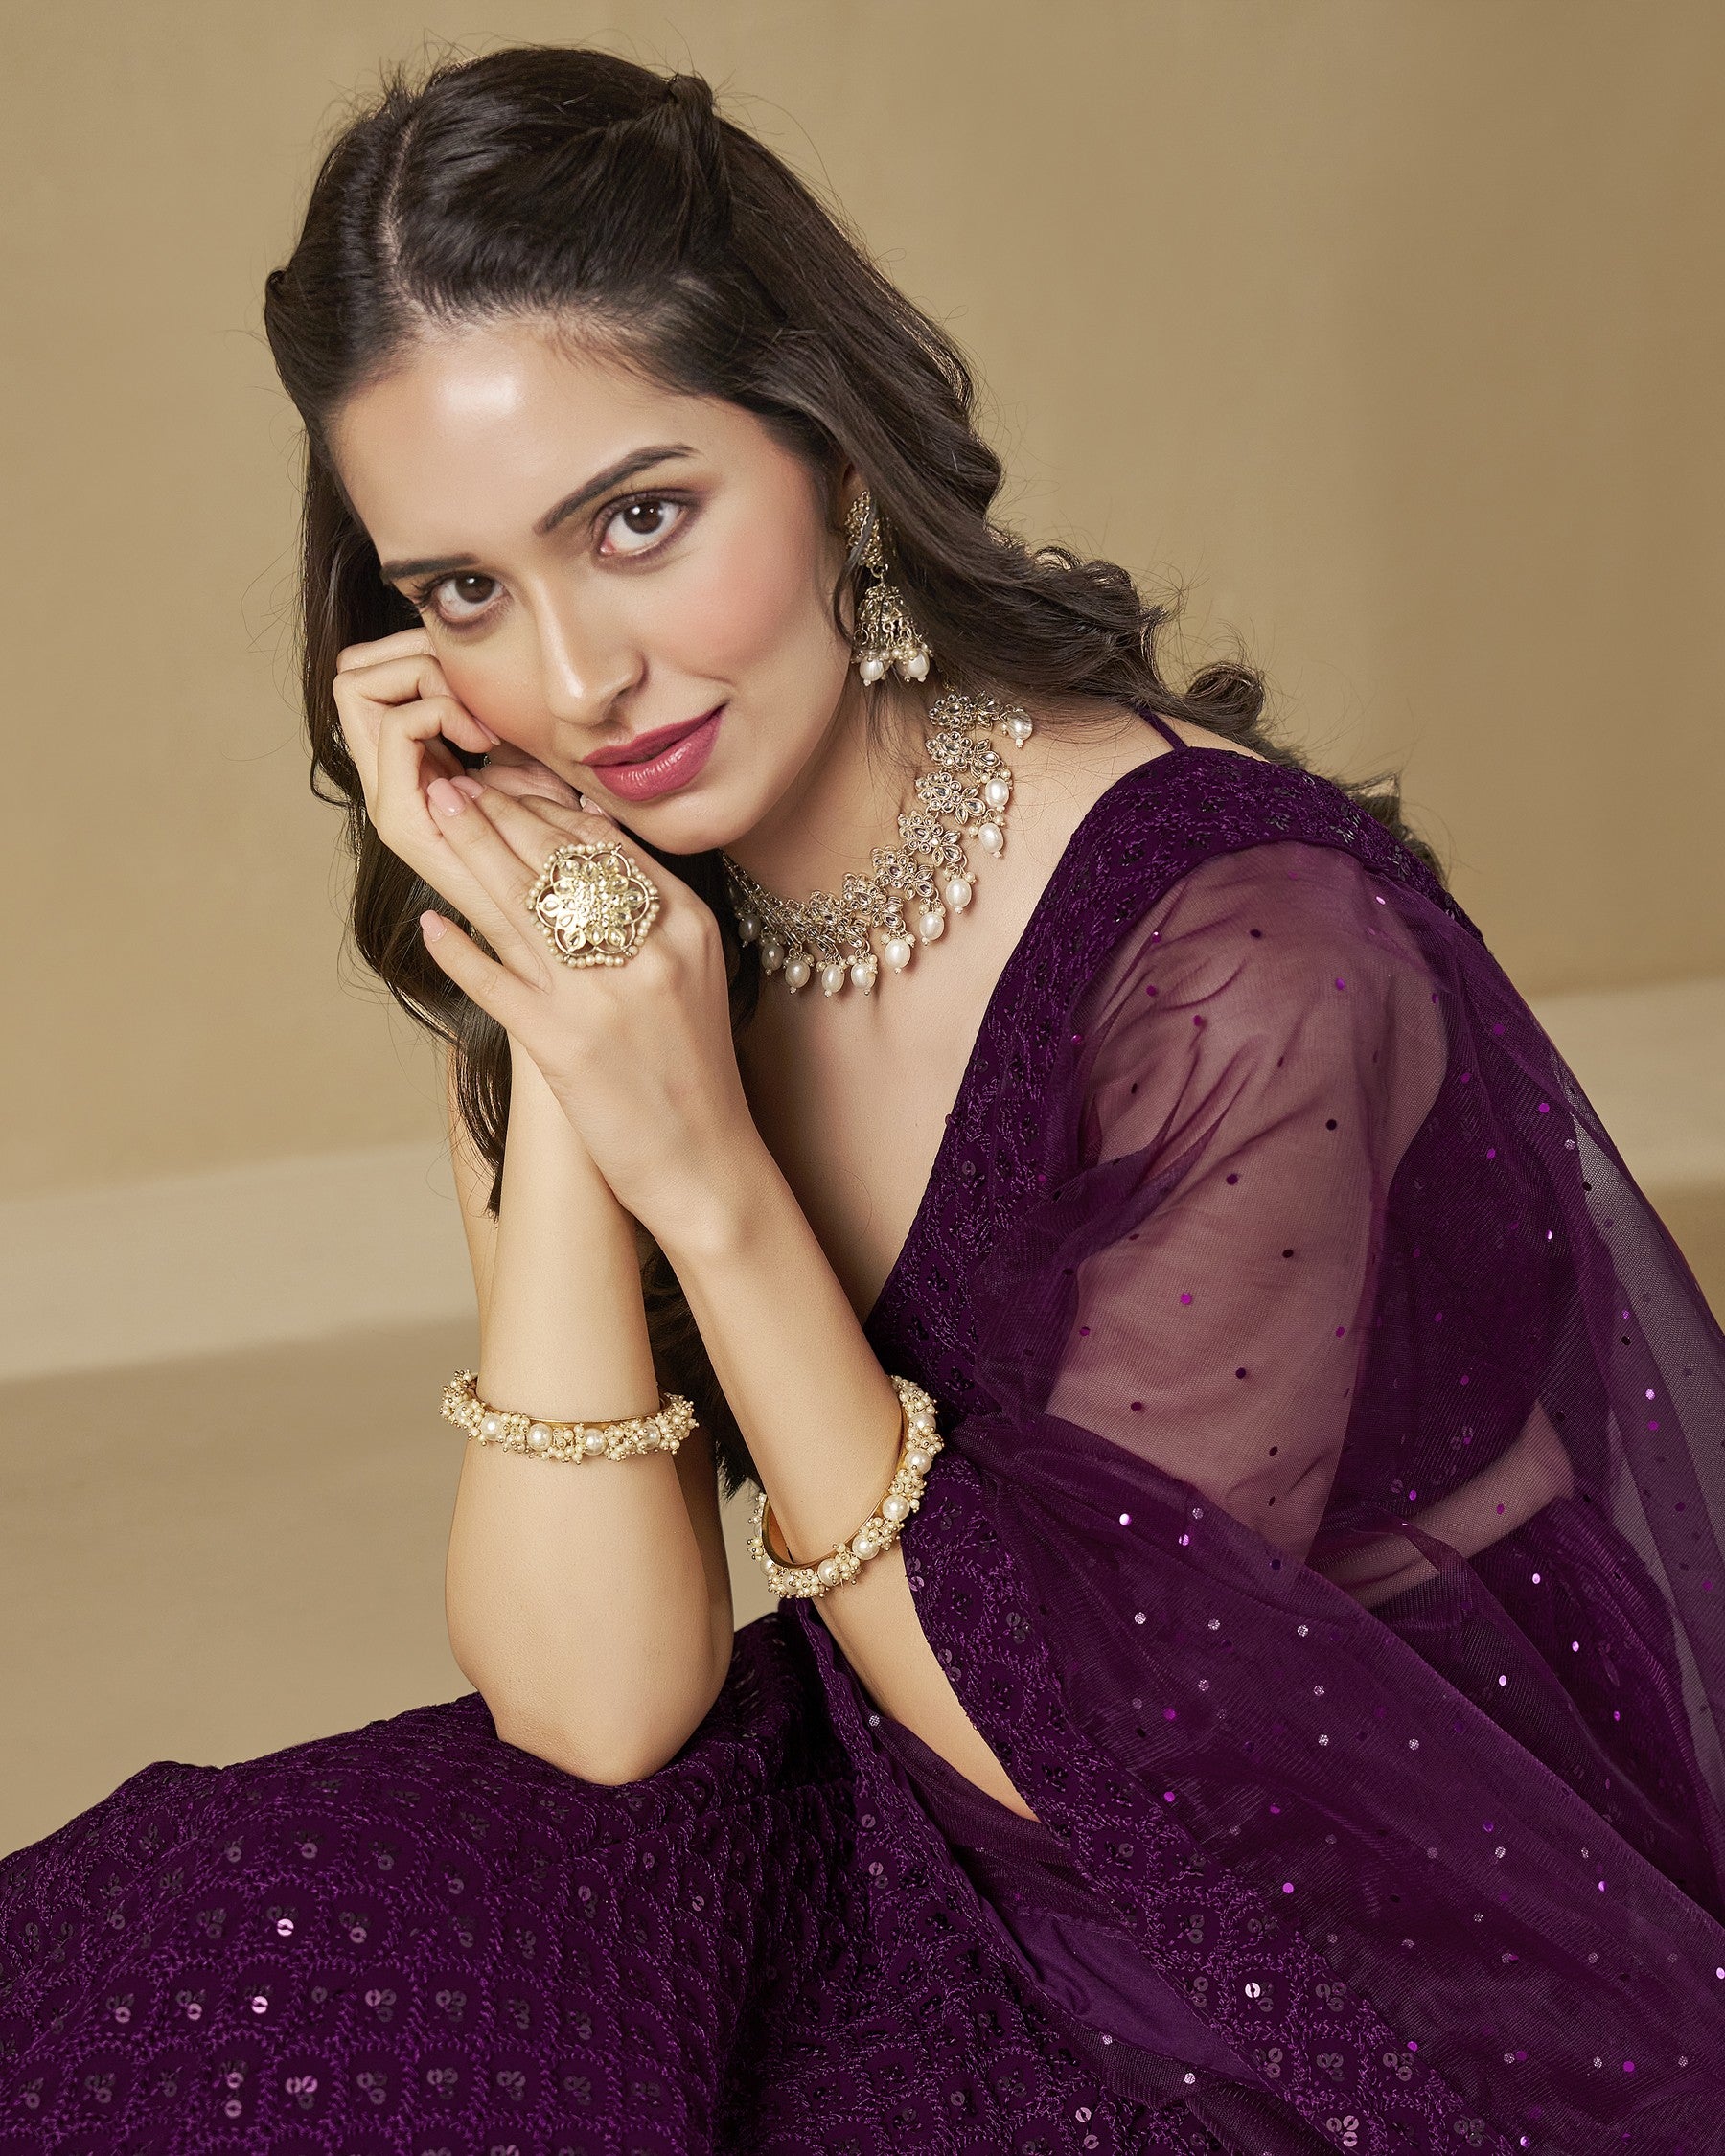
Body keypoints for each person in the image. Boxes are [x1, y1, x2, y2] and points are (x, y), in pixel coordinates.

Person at [3, 44, 1722, 2156]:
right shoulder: (634, 899)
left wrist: (713, 1178)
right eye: (463, 592)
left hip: (1326, 1916)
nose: (574, 679)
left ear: (825, 446)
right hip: (896, 1800)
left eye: (639, 521)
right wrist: (575, 1034)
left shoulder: (1252, 955)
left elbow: (1088, 1768)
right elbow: (598, 1705)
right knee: (162, 1972)